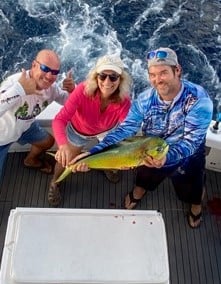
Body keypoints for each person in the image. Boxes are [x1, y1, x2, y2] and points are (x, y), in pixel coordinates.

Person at [72, 47, 213, 229]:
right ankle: (139, 192)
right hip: (148, 151)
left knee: (192, 188)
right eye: (152, 74)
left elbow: (191, 142)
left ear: (177, 70)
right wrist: (93, 152)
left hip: (187, 157)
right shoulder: (145, 99)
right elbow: (126, 129)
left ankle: (195, 205)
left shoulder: (198, 100)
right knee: (144, 179)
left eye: (163, 73)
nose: (157, 80)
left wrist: (166, 158)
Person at [49, 54, 132, 206]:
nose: (107, 82)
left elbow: (126, 129)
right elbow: (59, 120)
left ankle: (110, 168)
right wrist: (62, 146)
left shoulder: (124, 100)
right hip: (78, 131)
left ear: (121, 79)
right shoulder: (82, 90)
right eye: (103, 76)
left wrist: (123, 156)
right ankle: (55, 182)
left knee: (114, 159)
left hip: (108, 133)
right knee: (66, 160)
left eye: (113, 77)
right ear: (96, 77)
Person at [0, 49, 75, 182]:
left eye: (55, 72)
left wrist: (72, 91)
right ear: (34, 65)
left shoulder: (51, 89)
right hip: (2, 138)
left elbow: (66, 101)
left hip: (25, 126)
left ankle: (30, 160)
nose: (49, 76)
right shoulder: (13, 84)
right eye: (45, 68)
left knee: (47, 142)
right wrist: (20, 91)